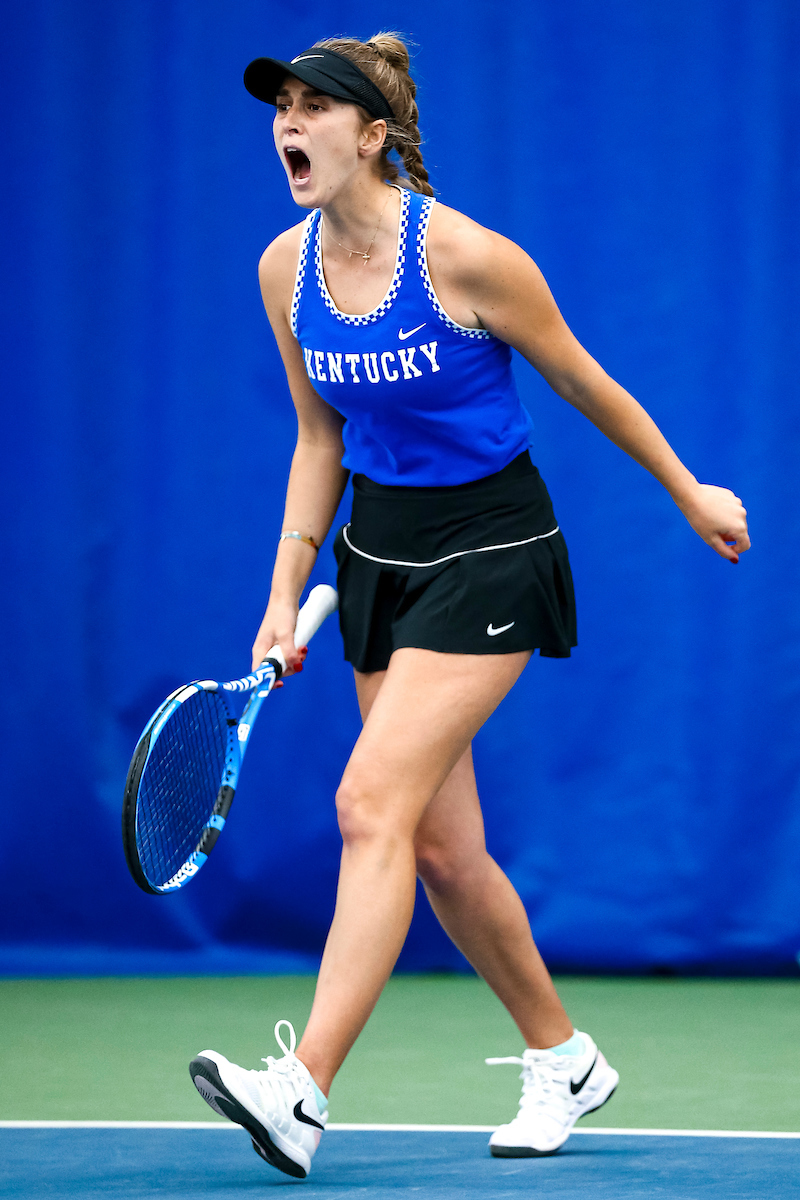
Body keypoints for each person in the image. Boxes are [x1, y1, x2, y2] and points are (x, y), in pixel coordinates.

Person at [189, 33, 750, 1179]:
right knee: (442, 852)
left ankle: (301, 1093)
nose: (289, 126)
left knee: (366, 805)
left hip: (493, 549)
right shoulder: (278, 271)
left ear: (372, 134)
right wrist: (282, 591)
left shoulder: (466, 259)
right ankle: (564, 1059)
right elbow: (316, 436)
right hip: (377, 557)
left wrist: (686, 490)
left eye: (313, 108)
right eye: (279, 108)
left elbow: (583, 379)